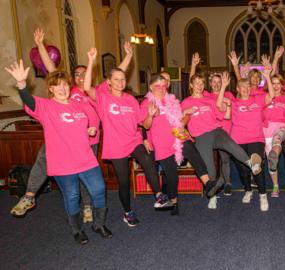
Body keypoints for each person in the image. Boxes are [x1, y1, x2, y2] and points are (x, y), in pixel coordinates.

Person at [5, 60, 112, 244]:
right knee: (72, 196)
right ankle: (77, 229)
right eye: (57, 85)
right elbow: (29, 100)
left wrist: (89, 130)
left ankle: (99, 224)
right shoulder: (45, 107)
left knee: (99, 189)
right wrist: (22, 85)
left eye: (65, 84)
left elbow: (84, 122)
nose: (62, 88)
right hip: (63, 163)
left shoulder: (77, 105)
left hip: (85, 158)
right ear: (51, 89)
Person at [10, 28, 97, 222]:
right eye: (77, 74)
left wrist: (90, 62)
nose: (81, 77)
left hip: (88, 139)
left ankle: (88, 207)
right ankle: (29, 195)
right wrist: (41, 45)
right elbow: (52, 69)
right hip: (60, 138)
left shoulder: (92, 92)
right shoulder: (67, 89)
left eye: (85, 74)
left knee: (84, 176)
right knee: (43, 159)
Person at [84, 47, 162, 227]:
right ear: (109, 82)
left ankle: (158, 195)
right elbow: (87, 87)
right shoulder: (103, 98)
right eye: (116, 79)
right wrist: (91, 62)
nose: (120, 82)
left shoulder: (131, 100)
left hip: (133, 140)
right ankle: (127, 212)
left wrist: (150, 115)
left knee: (148, 158)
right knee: (124, 181)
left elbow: (145, 124)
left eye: (123, 79)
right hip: (116, 144)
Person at [141, 74, 222, 214]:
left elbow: (179, 118)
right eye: (157, 86)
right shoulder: (147, 103)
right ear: (151, 87)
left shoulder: (171, 100)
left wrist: (186, 114)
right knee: (172, 175)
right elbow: (146, 126)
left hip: (177, 135)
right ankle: (174, 202)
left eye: (163, 85)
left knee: (193, 153)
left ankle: (208, 184)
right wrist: (150, 115)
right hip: (162, 142)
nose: (161, 88)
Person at [181, 73, 263, 208]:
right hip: (201, 136)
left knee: (231, 145)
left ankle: (252, 164)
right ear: (191, 85)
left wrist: (228, 103)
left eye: (201, 84)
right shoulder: (186, 102)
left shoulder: (209, 101)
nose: (199, 86)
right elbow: (178, 121)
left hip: (216, 130)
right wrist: (185, 112)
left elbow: (224, 115)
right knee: (210, 168)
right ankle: (212, 196)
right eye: (196, 83)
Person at [216, 72, 272, 211]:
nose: (246, 89)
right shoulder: (233, 102)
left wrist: (268, 77)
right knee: (243, 170)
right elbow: (219, 105)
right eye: (242, 86)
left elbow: (271, 96)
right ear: (238, 89)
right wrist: (223, 86)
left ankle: (263, 195)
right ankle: (248, 190)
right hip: (238, 140)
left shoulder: (257, 99)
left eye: (248, 86)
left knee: (256, 165)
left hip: (256, 139)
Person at [190, 53, 234, 200]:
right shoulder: (206, 95)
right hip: (207, 132)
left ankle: (227, 182)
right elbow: (193, 84)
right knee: (209, 161)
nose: (216, 84)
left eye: (218, 82)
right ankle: (212, 185)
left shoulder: (228, 94)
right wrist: (193, 66)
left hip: (224, 130)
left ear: (222, 83)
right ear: (209, 83)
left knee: (225, 158)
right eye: (213, 82)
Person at [260, 63, 285, 198]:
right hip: (266, 130)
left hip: (281, 127)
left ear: (282, 85)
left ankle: (275, 152)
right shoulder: (265, 97)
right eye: (273, 83)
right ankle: (275, 186)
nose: (276, 85)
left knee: (278, 138)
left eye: (278, 83)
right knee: (271, 164)